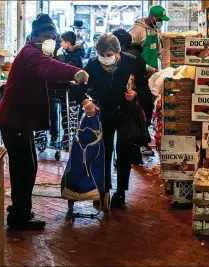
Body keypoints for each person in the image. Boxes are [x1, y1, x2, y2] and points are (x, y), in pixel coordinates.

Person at [0, 14, 93, 231]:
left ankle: (20, 210)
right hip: (15, 121)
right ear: (35, 35)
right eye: (48, 36)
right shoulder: (31, 54)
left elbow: (46, 74)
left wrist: (67, 82)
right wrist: (76, 72)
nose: (53, 39)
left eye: (54, 36)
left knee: (27, 167)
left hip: (20, 121)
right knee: (24, 169)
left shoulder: (33, 54)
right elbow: (48, 67)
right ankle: (20, 217)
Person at [71, 34, 144, 209]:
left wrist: (135, 93)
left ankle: (121, 191)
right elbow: (77, 88)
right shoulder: (93, 65)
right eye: (103, 55)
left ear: (118, 52)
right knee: (104, 151)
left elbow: (144, 85)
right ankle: (102, 190)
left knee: (124, 151)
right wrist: (85, 101)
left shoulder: (133, 62)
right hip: (104, 112)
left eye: (110, 55)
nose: (106, 59)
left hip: (126, 112)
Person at [113, 28, 155, 157]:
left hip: (134, 98)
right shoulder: (136, 55)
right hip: (141, 96)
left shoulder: (129, 58)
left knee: (130, 128)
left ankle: (130, 153)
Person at [49, 31, 84, 147]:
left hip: (72, 92)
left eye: (62, 42)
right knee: (66, 116)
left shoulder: (74, 55)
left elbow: (66, 69)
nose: (61, 44)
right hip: (64, 92)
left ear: (68, 43)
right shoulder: (70, 52)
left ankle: (69, 140)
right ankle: (67, 139)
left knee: (69, 117)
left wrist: (60, 57)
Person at [129, 5, 169, 70]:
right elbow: (129, 55)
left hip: (153, 72)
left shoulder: (156, 29)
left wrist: (167, 68)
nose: (161, 22)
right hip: (140, 73)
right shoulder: (136, 31)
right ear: (151, 17)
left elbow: (160, 52)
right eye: (159, 19)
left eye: (162, 20)